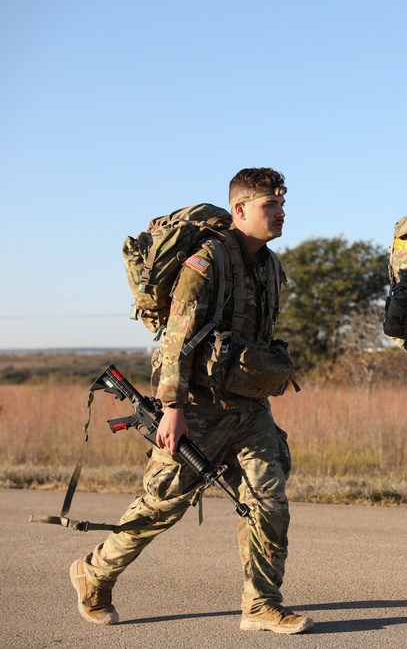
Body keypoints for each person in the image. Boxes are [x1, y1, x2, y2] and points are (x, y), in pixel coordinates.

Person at [70, 167, 313, 634]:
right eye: (271, 206)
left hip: (248, 407)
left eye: (282, 205)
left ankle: (261, 605)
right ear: (240, 210)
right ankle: (94, 572)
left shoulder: (270, 265)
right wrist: (174, 409)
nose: (281, 214)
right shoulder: (207, 260)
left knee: (269, 501)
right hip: (196, 405)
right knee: (162, 505)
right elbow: (176, 337)